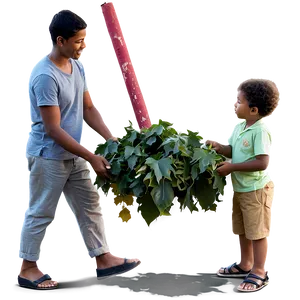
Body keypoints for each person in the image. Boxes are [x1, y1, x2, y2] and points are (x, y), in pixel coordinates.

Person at [17, 8, 140, 290]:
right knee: (41, 210)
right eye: (78, 41)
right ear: (60, 41)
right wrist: (92, 156)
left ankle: (103, 257)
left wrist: (110, 138)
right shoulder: (45, 76)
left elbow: (87, 107)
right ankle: (27, 268)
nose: (84, 46)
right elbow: (53, 129)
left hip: (75, 153)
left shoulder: (78, 66)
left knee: (90, 204)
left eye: (86, 39)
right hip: (48, 155)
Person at [206, 79, 280, 294]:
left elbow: (262, 162)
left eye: (238, 101)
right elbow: (232, 149)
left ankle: (260, 270)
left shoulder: (260, 131)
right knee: (242, 230)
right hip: (240, 188)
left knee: (257, 232)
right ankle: (245, 264)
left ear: (254, 110)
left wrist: (231, 168)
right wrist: (218, 147)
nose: (234, 104)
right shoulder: (240, 126)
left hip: (256, 190)